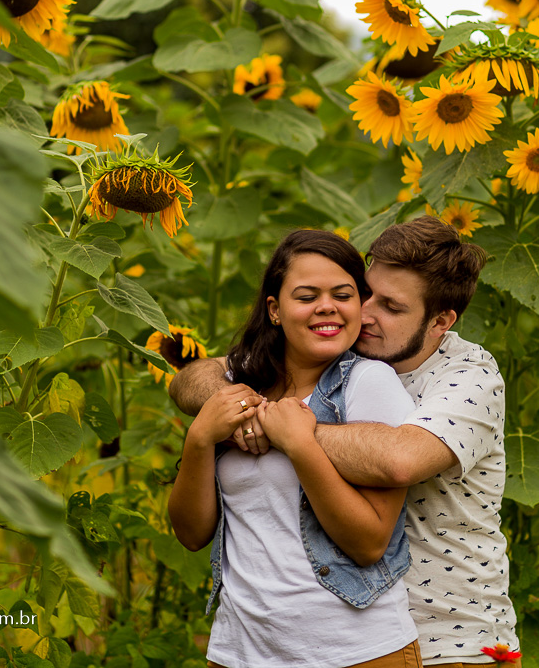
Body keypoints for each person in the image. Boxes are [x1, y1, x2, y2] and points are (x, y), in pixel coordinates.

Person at [172, 217, 519, 667]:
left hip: (452, 632)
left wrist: (282, 427)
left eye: (392, 307)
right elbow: (196, 377)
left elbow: (398, 460)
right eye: (366, 293)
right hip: (295, 635)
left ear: (440, 321)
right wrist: (220, 416)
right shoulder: (333, 356)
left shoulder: (468, 377)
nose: (366, 313)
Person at [167, 229, 423, 668]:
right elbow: (191, 535)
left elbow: (368, 544)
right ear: (274, 310)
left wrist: (301, 445)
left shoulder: (367, 383)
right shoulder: (240, 384)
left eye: (343, 294)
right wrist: (200, 438)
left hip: (355, 651)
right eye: (307, 296)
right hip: (239, 651)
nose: (327, 306)